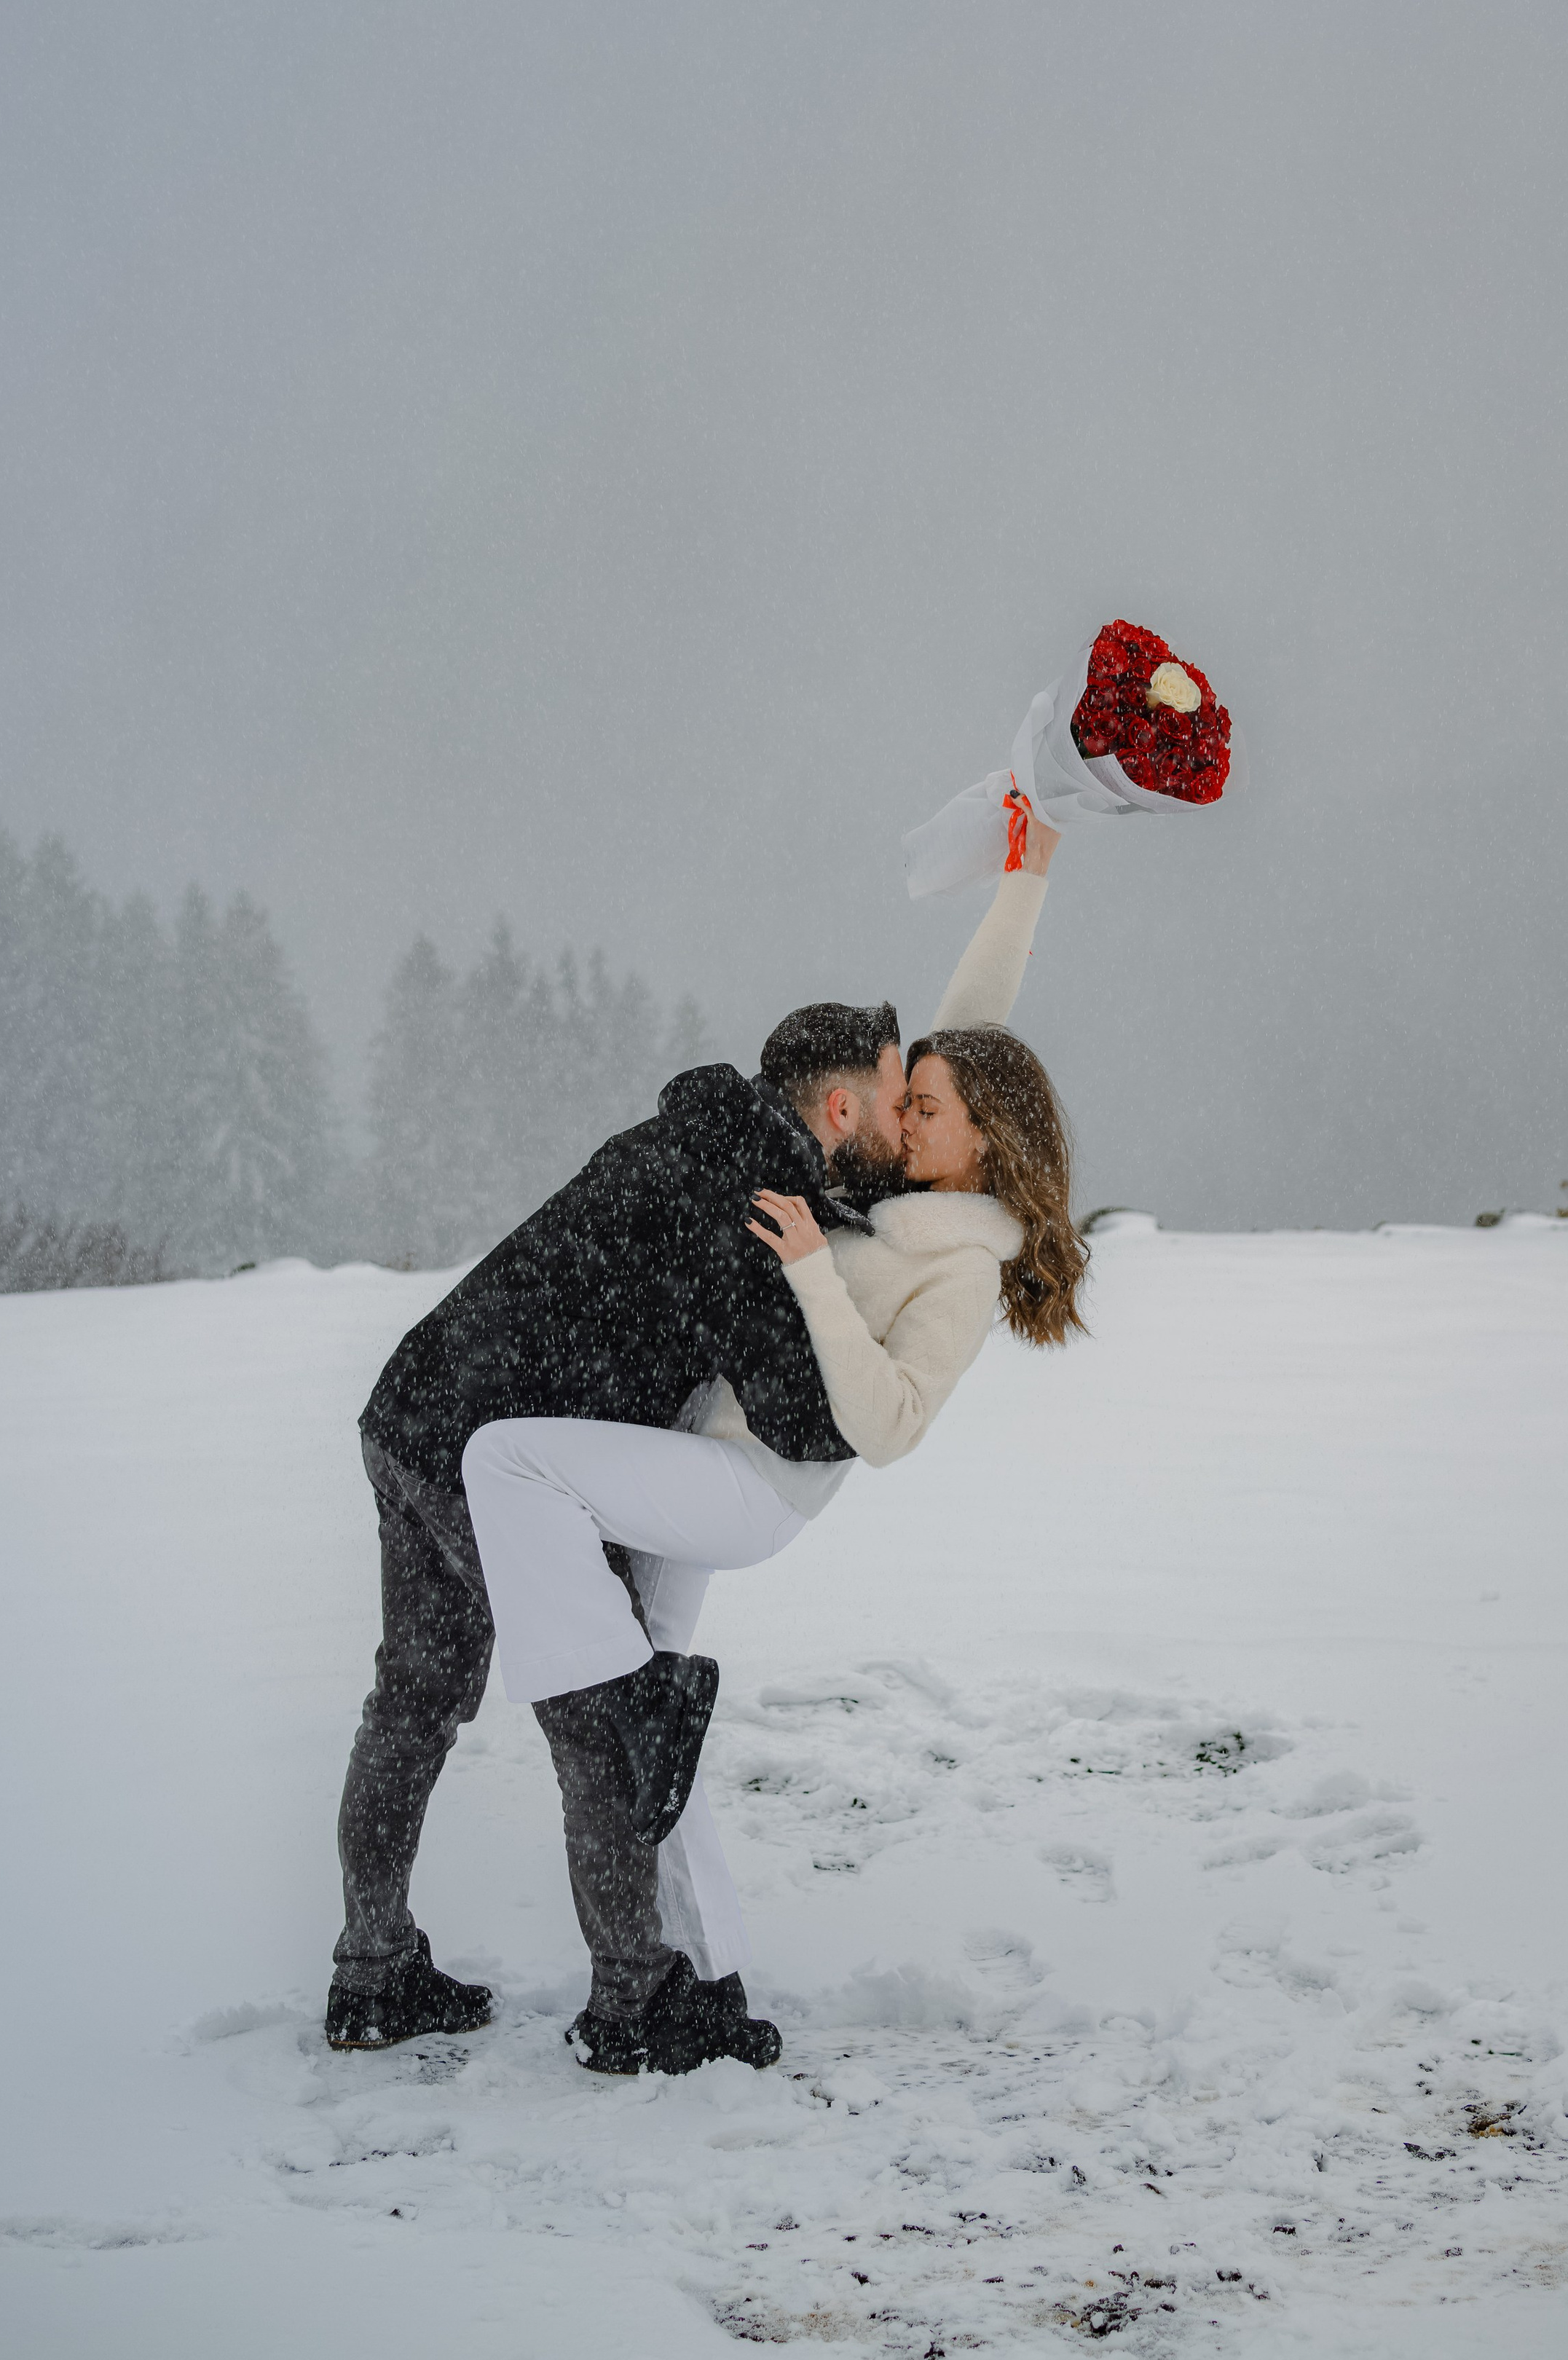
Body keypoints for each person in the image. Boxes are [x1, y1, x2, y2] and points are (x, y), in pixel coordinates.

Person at [327, 803, 1079, 2072]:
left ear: (970, 1135)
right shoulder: (780, 1190)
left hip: (430, 1401)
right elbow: (969, 1053)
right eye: (901, 1097)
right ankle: (634, 1988)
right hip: (509, 1433)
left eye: (927, 1106)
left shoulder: (857, 1199)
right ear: (847, 1106)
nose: (910, 1113)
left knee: (452, 1699)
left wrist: (813, 1274)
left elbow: (851, 1417)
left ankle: (403, 1972)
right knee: (600, 1711)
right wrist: (1026, 879)